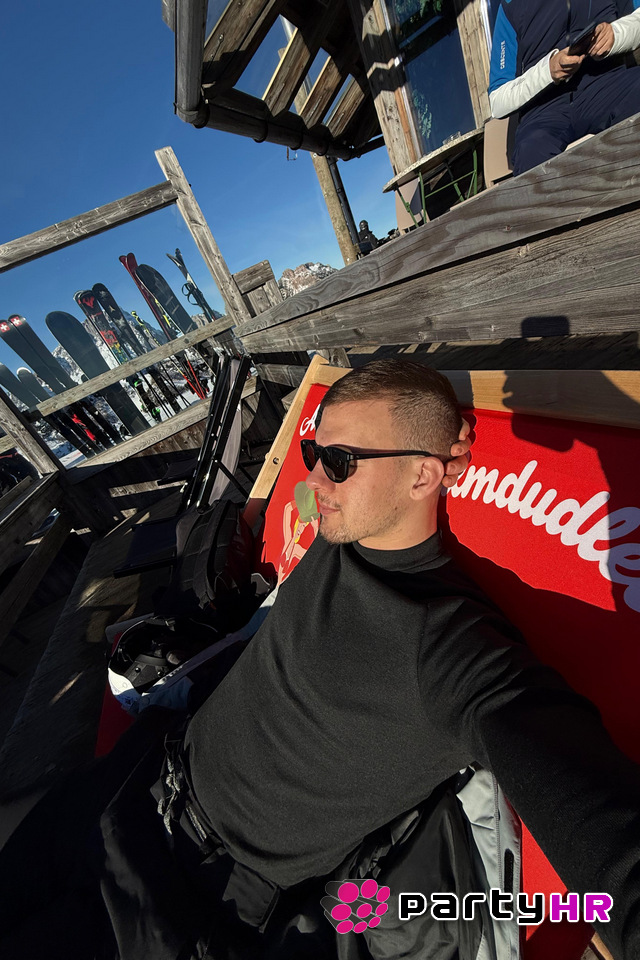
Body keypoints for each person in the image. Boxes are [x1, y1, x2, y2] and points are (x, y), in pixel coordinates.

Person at [2, 360, 640, 960]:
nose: (313, 481)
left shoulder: (452, 649)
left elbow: (604, 835)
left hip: (184, 886)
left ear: (422, 477)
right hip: (130, 777)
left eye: (339, 462)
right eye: (313, 454)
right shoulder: (341, 537)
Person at [488, 0, 640, 175]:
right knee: (530, 152)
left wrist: (616, 34)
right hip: (544, 110)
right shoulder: (509, 6)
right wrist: (548, 70)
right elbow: (498, 100)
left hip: (607, 83)